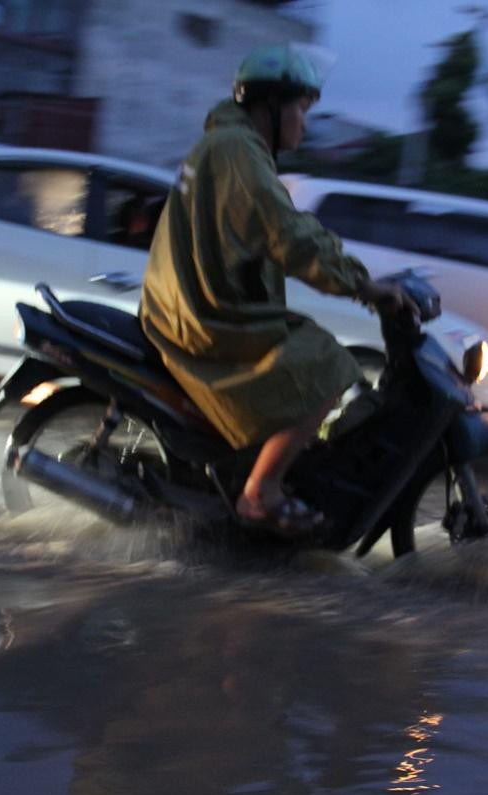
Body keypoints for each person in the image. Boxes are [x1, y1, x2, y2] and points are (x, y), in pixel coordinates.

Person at [139, 43, 415, 533]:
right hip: (204, 315)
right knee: (326, 365)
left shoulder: (229, 145)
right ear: (271, 106)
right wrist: (363, 286)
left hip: (195, 301)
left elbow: (274, 229)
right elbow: (288, 235)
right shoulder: (238, 152)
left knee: (302, 343)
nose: (305, 123)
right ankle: (260, 494)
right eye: (302, 109)